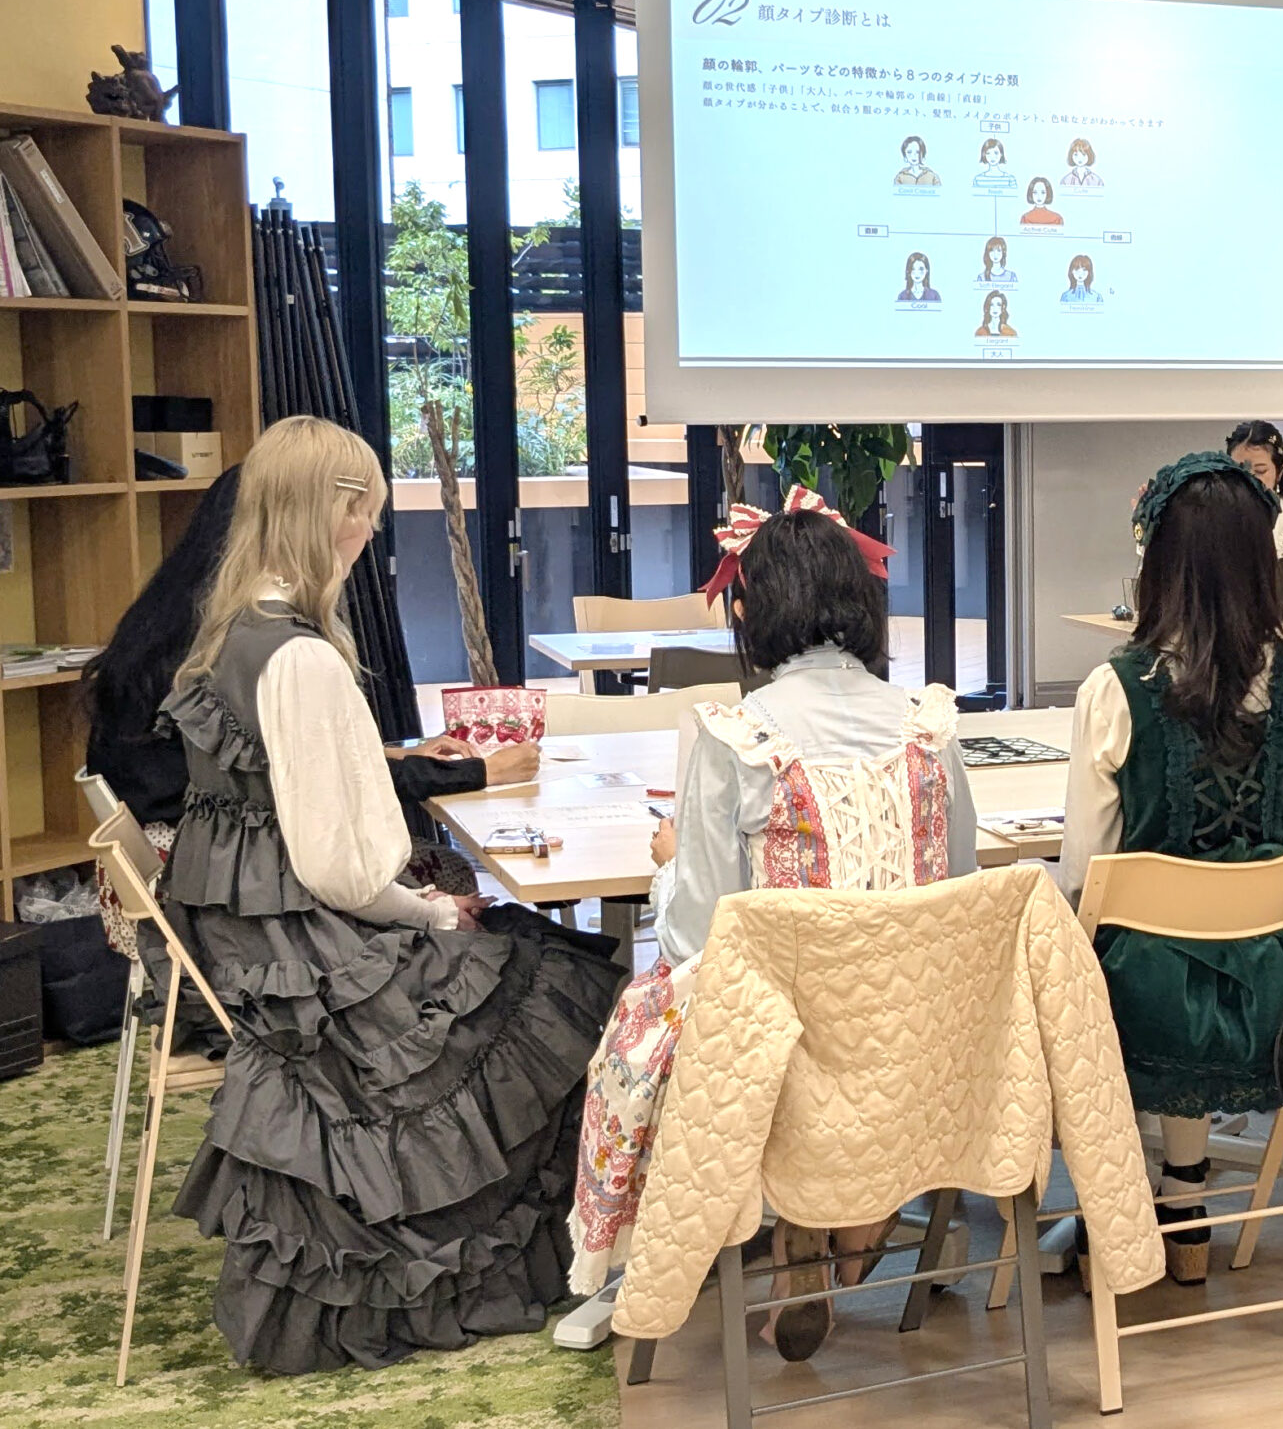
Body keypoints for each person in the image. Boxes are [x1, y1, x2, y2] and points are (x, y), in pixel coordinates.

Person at [159, 417, 622, 1375]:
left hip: (249, 952)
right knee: (565, 984)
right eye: (363, 510)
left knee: (528, 957)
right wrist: (434, 912)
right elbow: (340, 871)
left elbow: (279, 815)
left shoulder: (233, 634)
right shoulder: (303, 659)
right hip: (310, 967)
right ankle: (585, 1249)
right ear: (327, 515)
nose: (371, 530)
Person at [571, 489, 974, 1358]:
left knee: (665, 1005)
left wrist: (670, 859)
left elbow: (696, 939)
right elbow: (962, 896)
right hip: (917, 1045)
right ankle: (855, 1214)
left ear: (753, 612)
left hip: (779, 1057)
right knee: (849, 1009)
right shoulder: (931, 729)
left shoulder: (737, 738)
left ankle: (795, 1227)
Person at [1063, 453, 1283, 1284]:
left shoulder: (1113, 691)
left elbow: (1086, 873)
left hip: (1146, 1000)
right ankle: (1184, 1197)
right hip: (1280, 997)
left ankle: (1119, 1200)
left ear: (1158, 565)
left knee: (1081, 939)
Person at [80, 466, 532, 958]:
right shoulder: (269, 644)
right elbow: (307, 798)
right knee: (466, 900)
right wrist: (477, 773)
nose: (366, 532)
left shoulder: (186, 614)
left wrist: (390, 755)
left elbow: (267, 758)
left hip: (180, 870)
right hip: (226, 891)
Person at [1225, 419, 1283, 558]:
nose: (1249, 480)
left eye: (1260, 471)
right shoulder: (1214, 513)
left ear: (1279, 473)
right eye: (1238, 471)